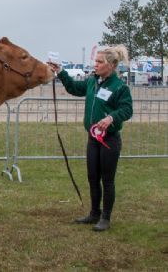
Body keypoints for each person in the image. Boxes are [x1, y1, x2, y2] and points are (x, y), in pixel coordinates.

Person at [48, 45, 133, 232]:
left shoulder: (120, 87)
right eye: (95, 61)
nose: (95, 65)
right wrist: (60, 71)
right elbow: (73, 87)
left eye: (99, 62)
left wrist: (111, 118)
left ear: (111, 65)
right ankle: (94, 213)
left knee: (107, 179)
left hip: (109, 140)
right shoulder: (92, 82)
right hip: (93, 139)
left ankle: (105, 218)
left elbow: (127, 110)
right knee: (92, 177)